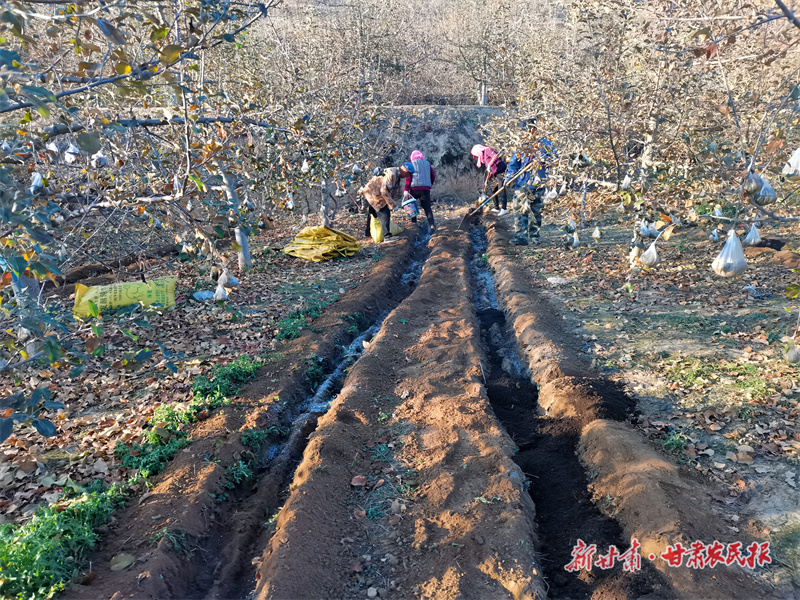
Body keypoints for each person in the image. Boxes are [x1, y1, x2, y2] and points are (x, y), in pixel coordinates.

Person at [508, 122, 558, 245]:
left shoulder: (546, 144)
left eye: (532, 129)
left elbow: (555, 160)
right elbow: (514, 164)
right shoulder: (521, 144)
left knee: (536, 211)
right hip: (522, 184)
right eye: (527, 129)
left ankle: (535, 236)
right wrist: (509, 177)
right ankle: (521, 237)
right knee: (520, 211)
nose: (529, 132)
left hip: (538, 184)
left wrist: (543, 159)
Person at [357, 165, 412, 240]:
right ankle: (387, 236)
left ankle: (367, 233)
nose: (407, 176)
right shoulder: (392, 174)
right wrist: (392, 205)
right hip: (374, 193)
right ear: (405, 171)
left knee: (372, 212)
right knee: (384, 212)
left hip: (370, 192)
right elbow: (384, 191)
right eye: (408, 174)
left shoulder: (396, 173)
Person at [404, 150, 436, 232]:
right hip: (425, 189)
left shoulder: (411, 163)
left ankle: (414, 223)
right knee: (427, 208)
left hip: (414, 189)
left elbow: (409, 178)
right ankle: (432, 225)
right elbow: (433, 176)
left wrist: (406, 190)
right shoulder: (427, 164)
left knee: (412, 206)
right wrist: (430, 185)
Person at [471, 144, 508, 215]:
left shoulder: (488, 150)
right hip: (495, 173)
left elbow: (495, 156)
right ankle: (496, 207)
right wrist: (489, 176)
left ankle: (504, 209)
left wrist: (489, 165)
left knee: (501, 189)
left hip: (501, 171)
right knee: (493, 189)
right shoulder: (483, 156)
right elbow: (490, 168)